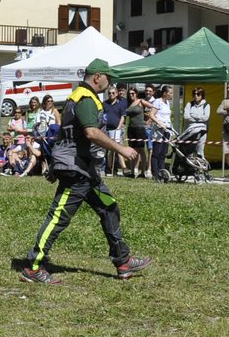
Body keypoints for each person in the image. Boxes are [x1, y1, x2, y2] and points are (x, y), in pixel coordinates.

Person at [16, 60, 151, 285]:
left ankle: (123, 261)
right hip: (77, 170)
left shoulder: (76, 97)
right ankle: (33, 267)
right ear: (98, 76)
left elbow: (65, 133)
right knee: (58, 216)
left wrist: (53, 163)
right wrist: (121, 149)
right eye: (109, 79)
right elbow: (91, 132)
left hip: (84, 169)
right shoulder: (86, 99)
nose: (111, 84)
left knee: (109, 207)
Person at [149, 85, 175, 180]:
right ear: (165, 93)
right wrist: (160, 123)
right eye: (170, 93)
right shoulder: (157, 101)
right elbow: (151, 115)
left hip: (167, 130)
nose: (171, 95)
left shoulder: (167, 102)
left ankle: (162, 171)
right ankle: (155, 173)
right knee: (156, 153)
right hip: (158, 130)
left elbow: (167, 118)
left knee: (163, 153)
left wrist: (170, 129)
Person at [123, 87, 149, 178]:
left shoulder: (141, 101)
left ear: (136, 93)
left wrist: (148, 121)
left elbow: (153, 108)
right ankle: (133, 171)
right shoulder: (129, 104)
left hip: (140, 128)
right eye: (130, 94)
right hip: (131, 128)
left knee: (141, 150)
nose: (131, 95)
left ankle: (143, 172)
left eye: (133, 93)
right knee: (132, 150)